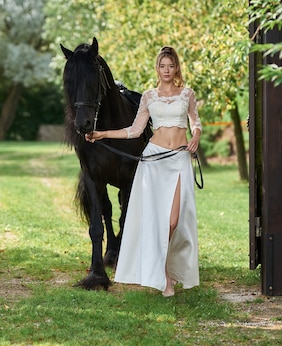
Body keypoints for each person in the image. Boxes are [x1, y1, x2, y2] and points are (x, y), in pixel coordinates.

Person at [85, 46, 201, 297]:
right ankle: (164, 276)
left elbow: (195, 122)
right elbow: (134, 130)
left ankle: (166, 268)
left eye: (171, 66)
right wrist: (102, 133)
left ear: (177, 67)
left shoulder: (187, 94)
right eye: (162, 66)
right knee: (156, 221)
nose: (167, 70)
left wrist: (196, 138)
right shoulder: (148, 96)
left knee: (174, 221)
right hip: (154, 161)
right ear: (157, 69)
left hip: (179, 159)